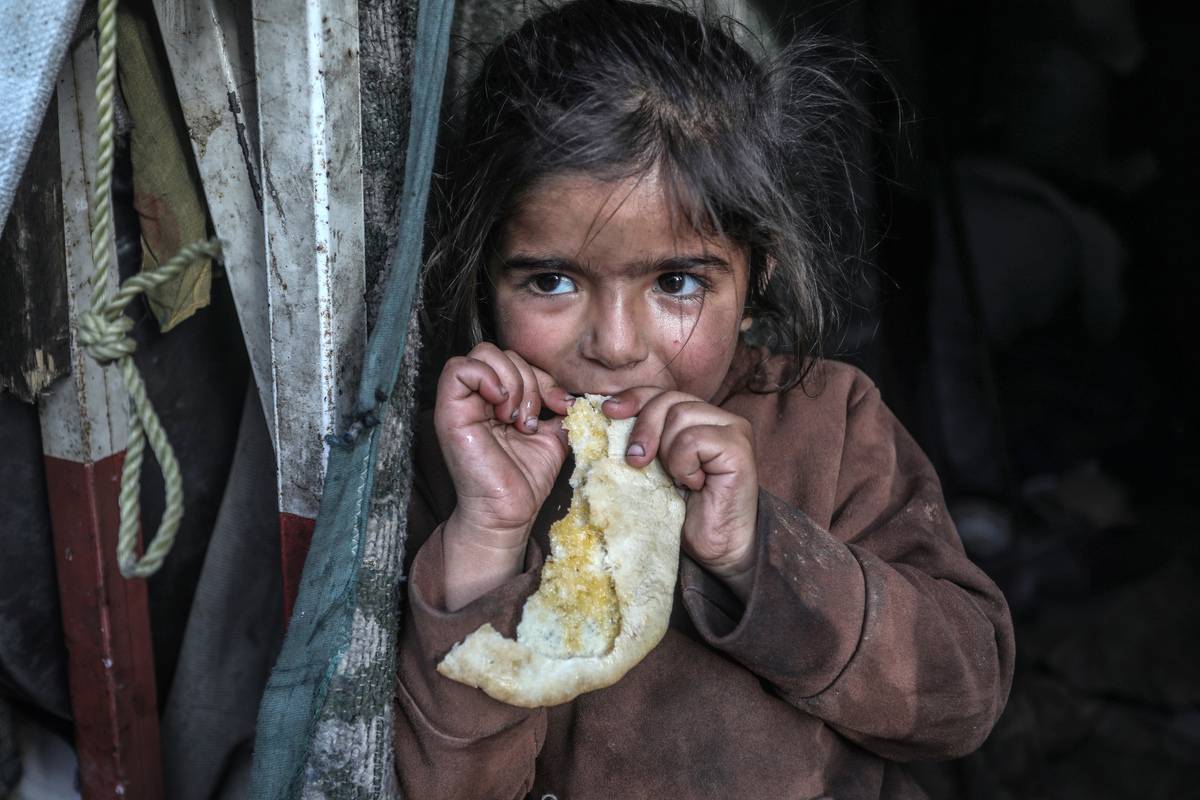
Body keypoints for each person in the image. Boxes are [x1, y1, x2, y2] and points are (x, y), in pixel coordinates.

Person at [395, 1, 1015, 797]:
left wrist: (759, 550)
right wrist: (486, 539)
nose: (616, 346)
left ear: (758, 278)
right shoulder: (458, 466)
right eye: (551, 281)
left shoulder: (830, 420)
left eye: (677, 282)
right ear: (485, 277)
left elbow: (961, 702)